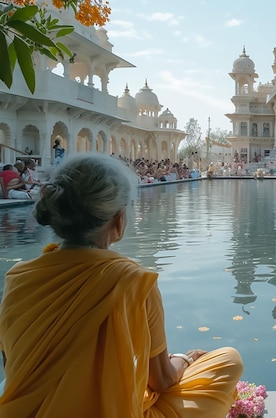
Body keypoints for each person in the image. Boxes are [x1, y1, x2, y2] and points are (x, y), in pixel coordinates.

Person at [0, 153, 243, 417]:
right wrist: (183, 359)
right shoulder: (134, 281)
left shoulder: (18, 277)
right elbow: (161, 380)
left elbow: (12, 366)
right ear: (118, 219)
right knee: (228, 360)